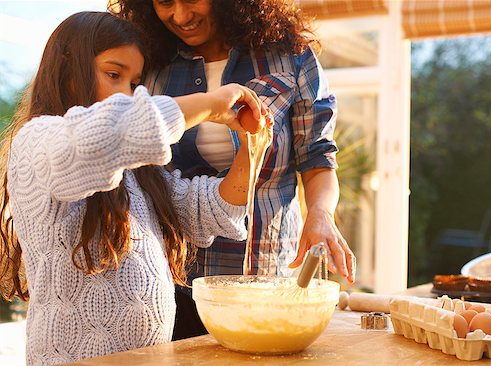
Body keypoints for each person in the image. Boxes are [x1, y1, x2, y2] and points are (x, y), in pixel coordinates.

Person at [0, 11, 272, 365]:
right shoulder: (36, 142)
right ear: (68, 74)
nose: (128, 94)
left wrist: (253, 149)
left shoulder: (136, 171)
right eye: (113, 74)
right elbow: (100, 137)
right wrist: (209, 104)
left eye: (133, 83)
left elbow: (208, 210)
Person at [111, 0, 357, 340]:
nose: (180, 16)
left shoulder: (289, 56)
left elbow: (318, 156)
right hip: (172, 282)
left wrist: (320, 212)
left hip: (267, 279)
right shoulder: (149, 62)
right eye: (165, 1)